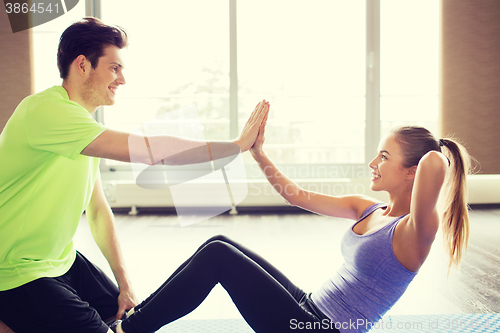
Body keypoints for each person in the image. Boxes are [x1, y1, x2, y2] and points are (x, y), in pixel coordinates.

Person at [0, 17, 268, 333]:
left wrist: (123, 282)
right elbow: (150, 150)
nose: (122, 79)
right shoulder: (46, 112)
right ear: (83, 65)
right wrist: (236, 146)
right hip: (16, 273)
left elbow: (98, 211)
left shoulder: (80, 129)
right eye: (115, 68)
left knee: (130, 320)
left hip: (63, 261)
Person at [108, 121, 472, 333]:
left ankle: (131, 330)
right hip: (308, 307)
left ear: (413, 171)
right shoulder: (369, 209)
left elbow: (435, 165)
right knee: (219, 242)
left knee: (218, 256)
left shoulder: (416, 231)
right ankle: (136, 316)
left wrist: (432, 150)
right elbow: (295, 195)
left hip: (321, 330)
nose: (373, 162)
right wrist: (258, 152)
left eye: (385, 156)